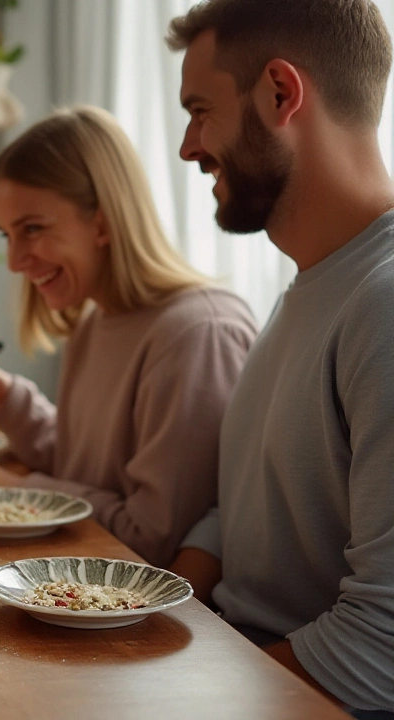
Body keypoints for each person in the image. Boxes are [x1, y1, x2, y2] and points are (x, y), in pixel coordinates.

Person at [166, 0, 394, 713]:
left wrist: (195, 697)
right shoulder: (310, 283)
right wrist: (146, 608)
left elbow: (382, 645)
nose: (187, 146)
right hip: (239, 662)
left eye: (200, 110)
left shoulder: (383, 303)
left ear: (280, 93)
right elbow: (242, 511)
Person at [0, 105, 257, 569]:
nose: (16, 262)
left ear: (102, 222)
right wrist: (14, 409)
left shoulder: (197, 334)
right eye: (7, 235)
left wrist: (17, 491)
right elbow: (87, 473)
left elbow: (152, 539)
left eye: (33, 229)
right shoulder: (96, 319)